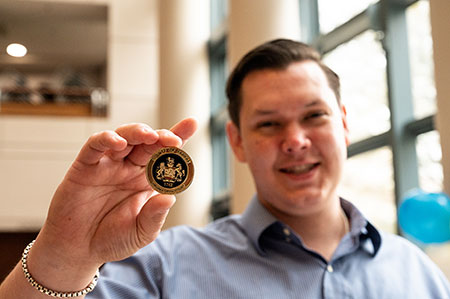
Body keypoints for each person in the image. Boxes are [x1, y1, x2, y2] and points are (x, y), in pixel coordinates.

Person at [1, 39, 449, 298]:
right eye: (268, 124)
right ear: (236, 142)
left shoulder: (417, 272)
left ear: (344, 124)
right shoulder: (164, 267)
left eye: (315, 116)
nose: (295, 140)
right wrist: (66, 253)